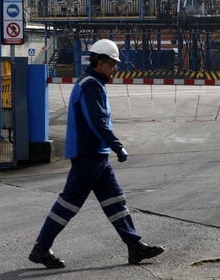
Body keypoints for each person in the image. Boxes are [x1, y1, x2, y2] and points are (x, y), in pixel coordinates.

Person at [29, 39, 164, 269]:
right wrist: (117, 145)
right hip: (88, 154)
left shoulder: (92, 83)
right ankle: (41, 247)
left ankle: (134, 245)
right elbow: (97, 121)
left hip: (96, 155)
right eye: (112, 64)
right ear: (100, 63)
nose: (114, 68)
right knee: (68, 204)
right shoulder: (91, 85)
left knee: (115, 201)